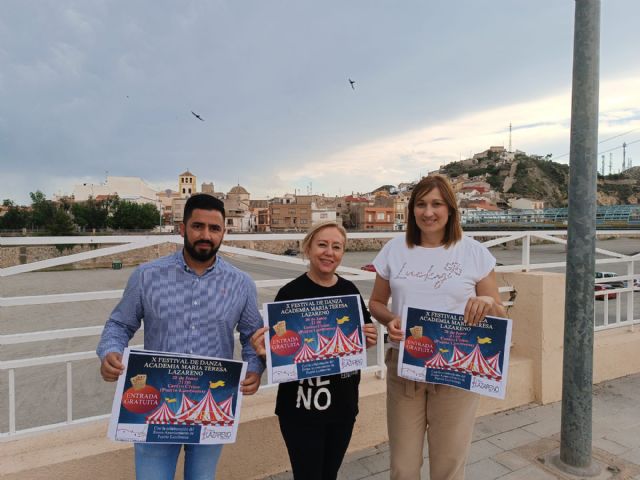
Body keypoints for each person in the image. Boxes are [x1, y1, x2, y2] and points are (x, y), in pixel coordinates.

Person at [96, 193, 264, 480]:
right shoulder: (147, 276)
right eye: (198, 226)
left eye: (214, 229)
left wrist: (255, 368)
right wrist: (110, 352)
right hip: (155, 404)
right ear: (182, 228)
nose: (206, 235)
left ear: (224, 232)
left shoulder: (241, 284)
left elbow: (253, 335)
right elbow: (119, 325)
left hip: (214, 403)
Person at [368, 175, 506, 480]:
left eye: (436, 204)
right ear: (412, 210)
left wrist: (485, 301)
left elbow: (498, 312)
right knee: (403, 467)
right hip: (405, 366)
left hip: (456, 369)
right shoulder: (394, 249)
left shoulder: (474, 252)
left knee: (448, 465)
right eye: (421, 204)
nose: (428, 212)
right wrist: (390, 319)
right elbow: (376, 302)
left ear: (451, 210)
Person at [251, 221, 378, 480]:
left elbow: (362, 337)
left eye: (336, 247)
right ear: (308, 249)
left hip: (342, 405)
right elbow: (280, 350)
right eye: (322, 245)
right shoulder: (289, 294)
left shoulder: (349, 292)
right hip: (300, 409)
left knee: (329, 474)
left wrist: (370, 338)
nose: (329, 252)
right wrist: (267, 354)